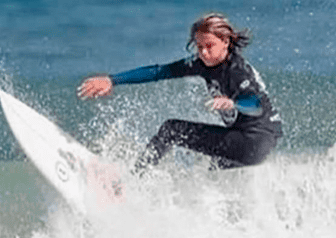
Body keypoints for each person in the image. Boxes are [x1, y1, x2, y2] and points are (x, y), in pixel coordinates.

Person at [77, 13, 283, 173]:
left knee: (171, 130)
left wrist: (233, 103)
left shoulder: (236, 70)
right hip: (256, 145)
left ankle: (134, 180)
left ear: (226, 42)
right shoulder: (202, 64)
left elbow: (255, 104)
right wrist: (112, 80)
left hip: (252, 140)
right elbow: (161, 71)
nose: (203, 52)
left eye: (209, 46)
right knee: (210, 172)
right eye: (199, 46)